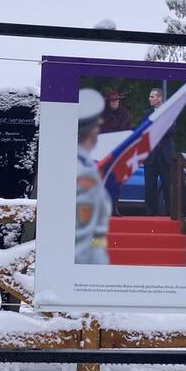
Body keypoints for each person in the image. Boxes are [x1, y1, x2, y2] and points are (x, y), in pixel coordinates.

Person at [76, 88, 111, 264]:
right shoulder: (85, 174)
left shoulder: (82, 164)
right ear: (92, 131)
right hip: (87, 262)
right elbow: (84, 237)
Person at [142, 87, 175, 215]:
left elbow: (172, 130)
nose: (150, 98)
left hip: (165, 154)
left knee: (167, 185)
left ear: (160, 98)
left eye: (152, 96)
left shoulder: (169, 112)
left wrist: (156, 127)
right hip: (150, 155)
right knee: (150, 186)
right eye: (150, 96)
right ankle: (150, 214)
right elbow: (144, 131)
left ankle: (169, 213)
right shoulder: (147, 114)